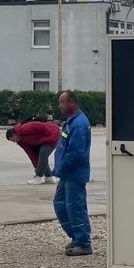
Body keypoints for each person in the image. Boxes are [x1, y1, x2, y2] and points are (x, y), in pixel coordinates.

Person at [52, 90, 93, 256]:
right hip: (66, 173)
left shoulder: (79, 124)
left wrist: (61, 168)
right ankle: (76, 237)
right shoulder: (71, 122)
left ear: (72, 103)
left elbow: (77, 153)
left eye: (62, 102)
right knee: (60, 203)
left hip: (73, 173)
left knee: (75, 206)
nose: (59, 105)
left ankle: (83, 242)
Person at [6, 119, 60, 184]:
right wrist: (36, 167)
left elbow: (42, 127)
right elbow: (31, 154)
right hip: (42, 141)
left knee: (43, 155)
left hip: (53, 133)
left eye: (13, 140)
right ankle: (49, 177)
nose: (14, 142)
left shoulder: (24, 128)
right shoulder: (21, 142)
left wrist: (48, 136)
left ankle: (39, 177)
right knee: (39, 156)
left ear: (14, 134)